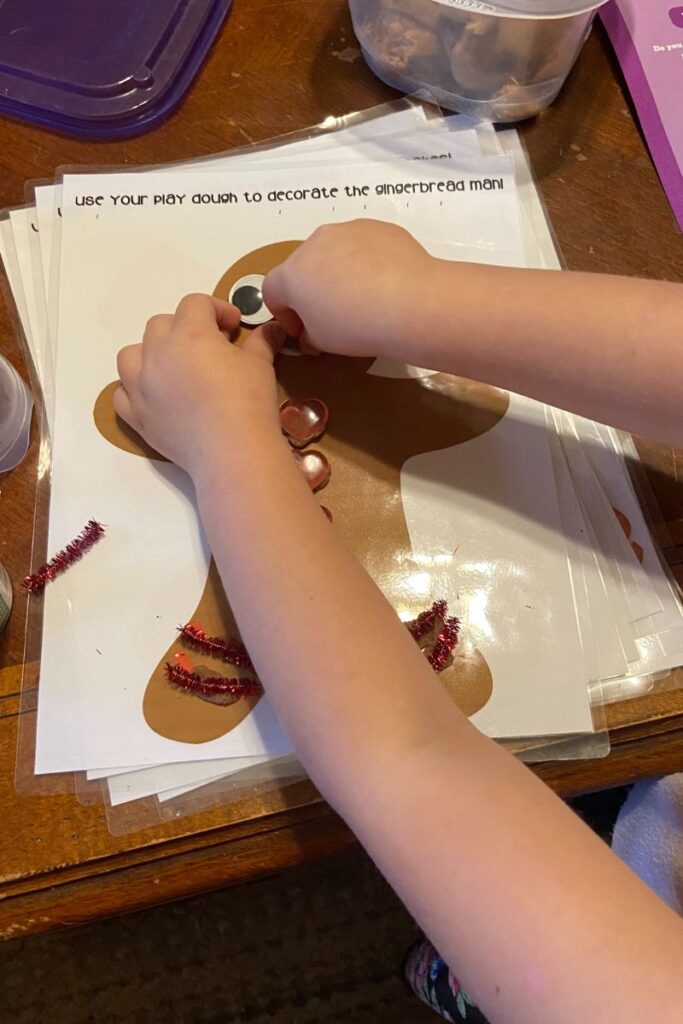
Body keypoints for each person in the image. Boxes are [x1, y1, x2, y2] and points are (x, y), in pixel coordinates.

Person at [114, 220, 683, 1024]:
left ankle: (473, 982)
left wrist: (225, 444)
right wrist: (413, 299)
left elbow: (410, 765)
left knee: (505, 933)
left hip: (569, 938)